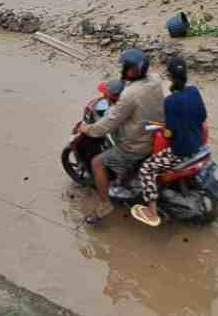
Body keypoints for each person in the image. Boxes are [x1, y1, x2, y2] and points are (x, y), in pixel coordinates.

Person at [78, 49, 164, 224]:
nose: (123, 69)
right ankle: (123, 177)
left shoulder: (129, 95)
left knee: (97, 162)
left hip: (136, 145)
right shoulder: (156, 79)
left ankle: (104, 204)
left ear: (132, 71)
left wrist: (87, 129)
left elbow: (107, 124)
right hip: (154, 130)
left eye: (125, 67)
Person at [131, 56, 207, 227]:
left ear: (170, 77)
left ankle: (151, 211)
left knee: (146, 169)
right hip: (198, 145)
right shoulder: (194, 91)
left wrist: (164, 128)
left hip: (180, 152)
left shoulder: (170, 101)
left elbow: (169, 134)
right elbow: (202, 116)